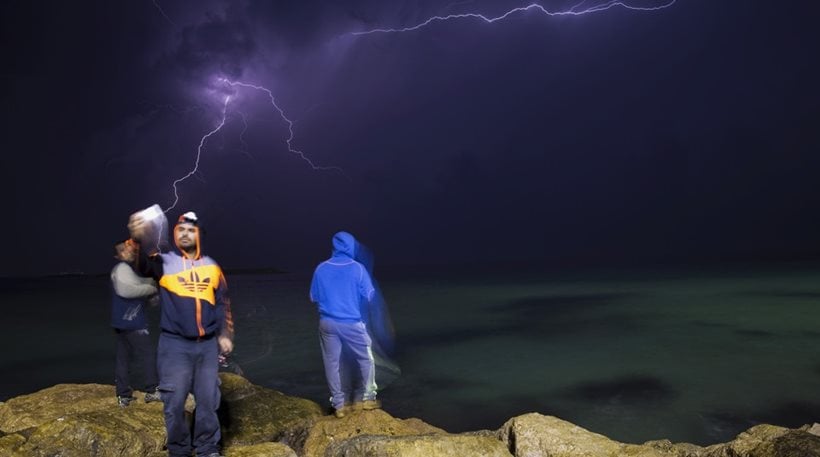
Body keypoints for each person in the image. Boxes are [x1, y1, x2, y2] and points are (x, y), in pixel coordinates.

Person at [128, 211, 234, 457]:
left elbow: (222, 304)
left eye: (190, 230)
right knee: (174, 403)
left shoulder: (212, 267)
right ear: (175, 234)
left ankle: (207, 448)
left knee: (208, 401)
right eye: (180, 230)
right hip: (174, 346)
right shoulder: (162, 262)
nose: (185, 233)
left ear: (199, 235)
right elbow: (141, 265)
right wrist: (136, 237)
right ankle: (179, 450)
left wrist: (225, 333)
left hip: (207, 346)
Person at [310, 231, 380, 418]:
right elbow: (370, 295)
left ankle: (339, 405)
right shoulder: (357, 268)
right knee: (366, 359)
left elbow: (314, 297)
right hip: (351, 323)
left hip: (327, 323)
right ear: (351, 247)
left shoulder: (320, 268)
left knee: (332, 363)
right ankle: (368, 398)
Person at [110, 238, 161, 407]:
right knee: (148, 355)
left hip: (122, 323)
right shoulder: (122, 268)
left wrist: (152, 282)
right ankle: (152, 390)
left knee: (123, 358)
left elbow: (138, 283)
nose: (130, 251)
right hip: (133, 323)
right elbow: (127, 290)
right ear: (119, 255)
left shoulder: (126, 270)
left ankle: (123, 395)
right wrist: (151, 288)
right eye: (126, 250)